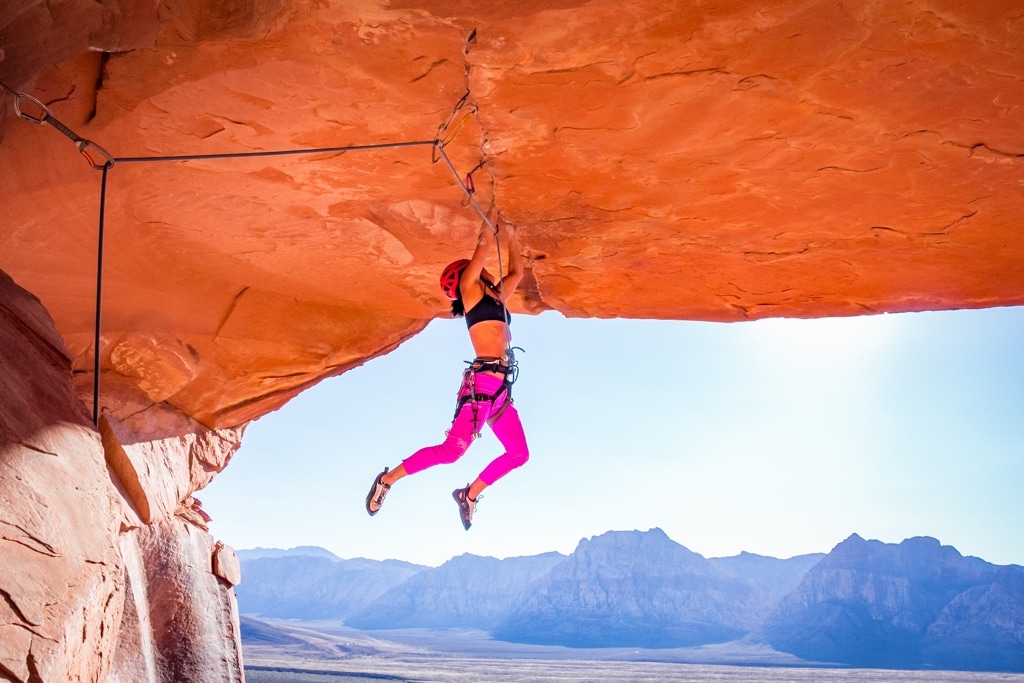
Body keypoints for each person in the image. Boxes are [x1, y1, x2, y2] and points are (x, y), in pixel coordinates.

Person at [364, 214, 529, 530]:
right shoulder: (471, 291)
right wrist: (488, 226)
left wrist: (511, 233)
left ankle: (469, 495)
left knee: (519, 453)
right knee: (452, 452)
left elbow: (517, 271)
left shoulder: (496, 296)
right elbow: (480, 254)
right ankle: (387, 480)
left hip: (499, 394)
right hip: (481, 388)